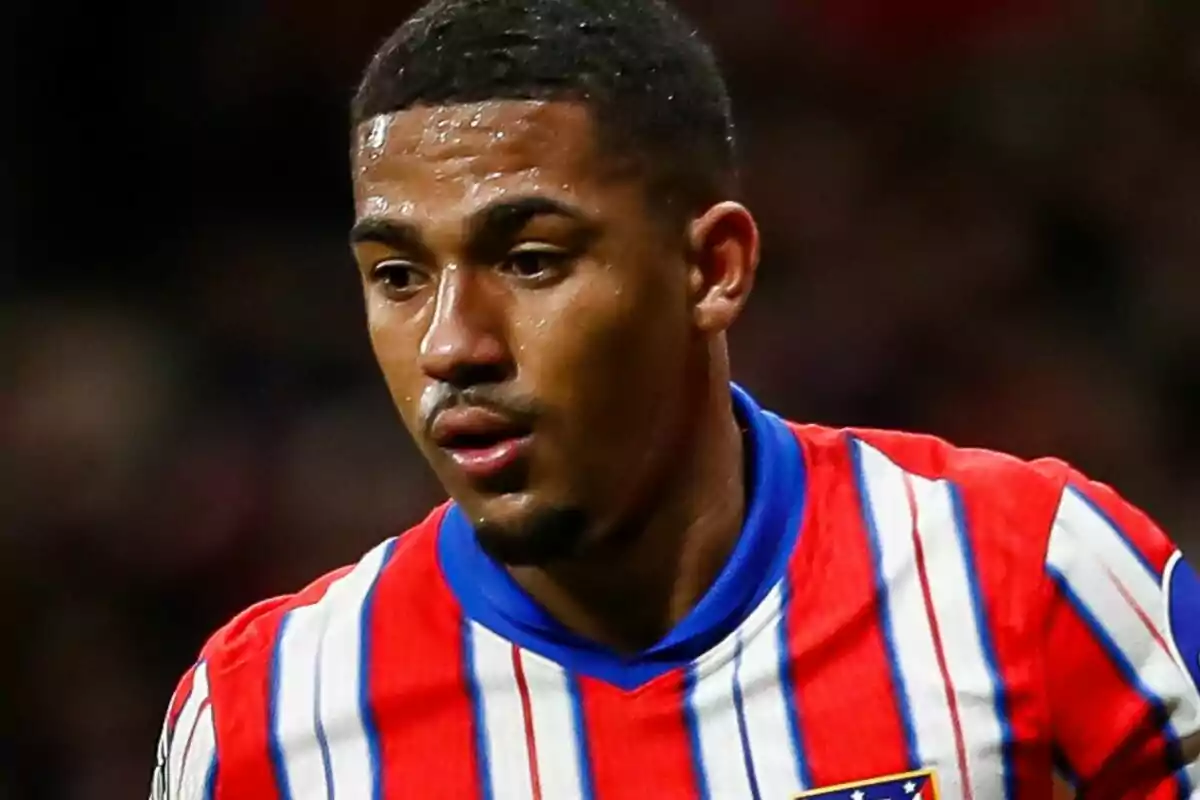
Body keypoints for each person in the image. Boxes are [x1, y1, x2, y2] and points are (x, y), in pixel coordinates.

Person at [149, 0, 1200, 798]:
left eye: (528, 258)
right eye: (397, 275)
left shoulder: (1036, 581)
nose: (450, 344)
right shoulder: (264, 722)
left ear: (714, 268)